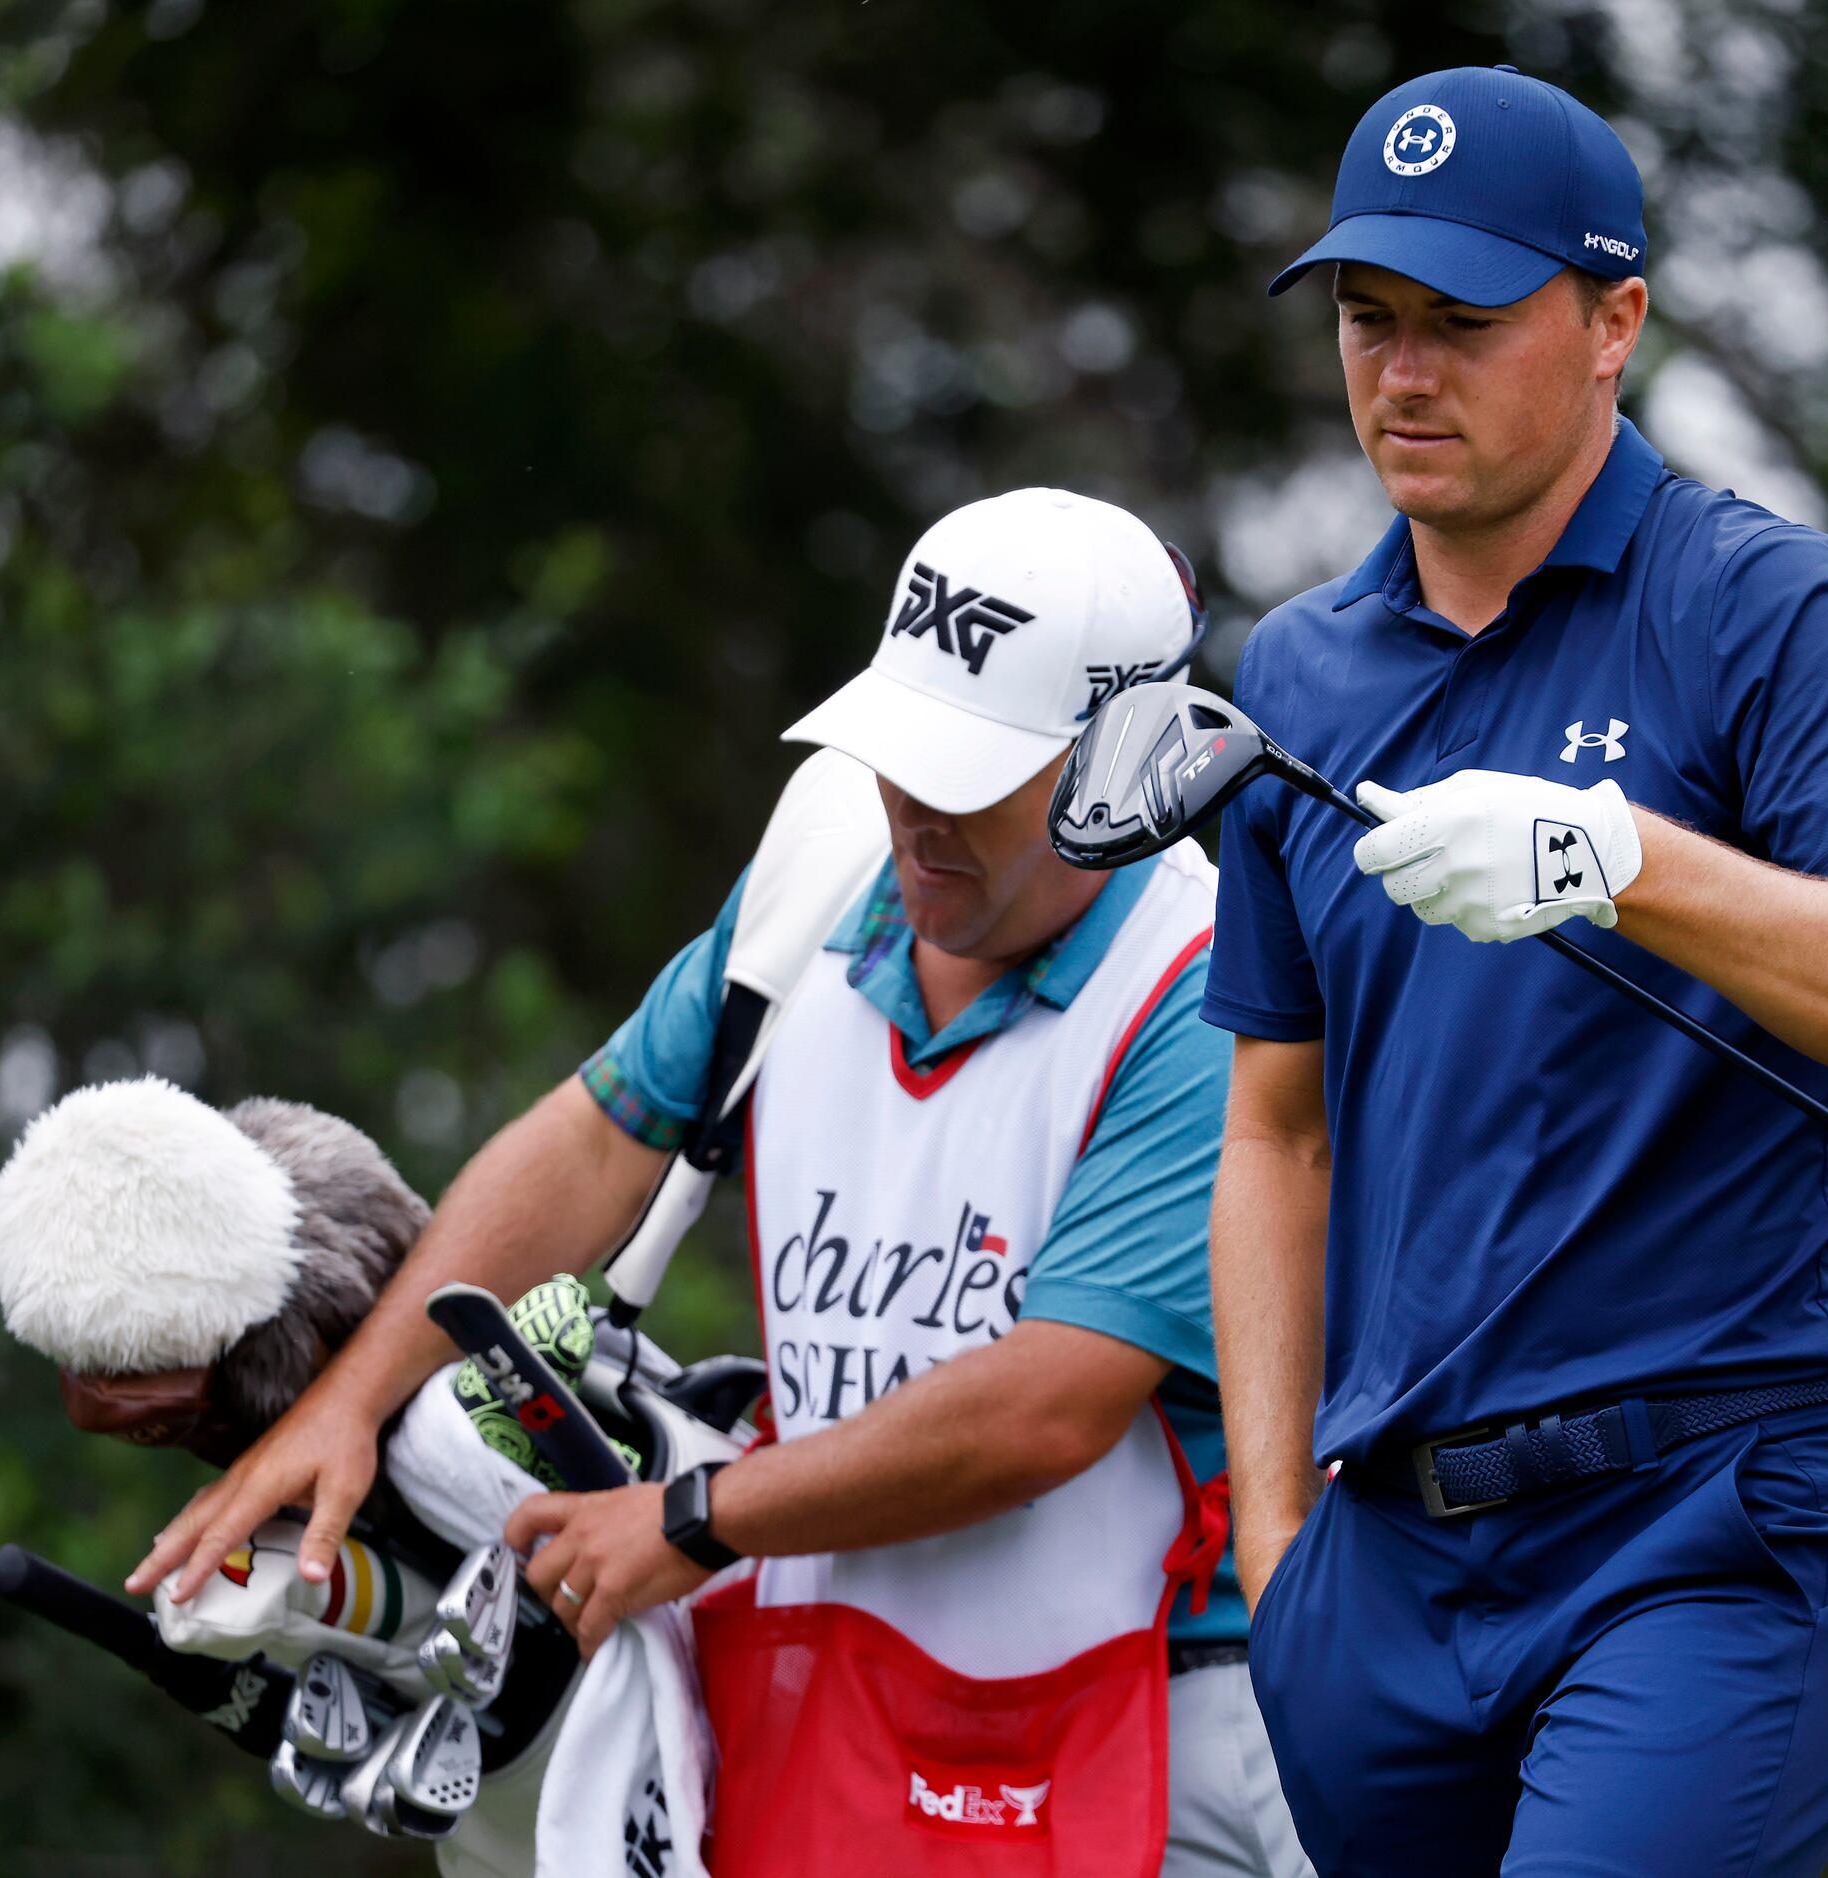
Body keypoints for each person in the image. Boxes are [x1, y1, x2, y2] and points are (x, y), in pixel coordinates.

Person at [133, 488, 1313, 1877]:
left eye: (978, 774)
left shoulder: (1206, 981)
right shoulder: (826, 878)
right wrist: (346, 1405)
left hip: (1157, 1724)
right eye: (900, 751)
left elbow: (1046, 1406)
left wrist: (694, 1516)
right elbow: (594, 1138)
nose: (921, 811)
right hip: (848, 1682)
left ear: (1133, 761)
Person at [1203, 65, 1828, 1876]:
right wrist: (1277, 1552)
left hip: (1717, 1522)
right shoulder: (1300, 674)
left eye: (1464, 324)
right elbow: (1276, 1131)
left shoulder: (1764, 608)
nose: (1402, 375)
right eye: (1368, 321)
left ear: (1612, 323)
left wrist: (1620, 857)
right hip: (1390, 1579)